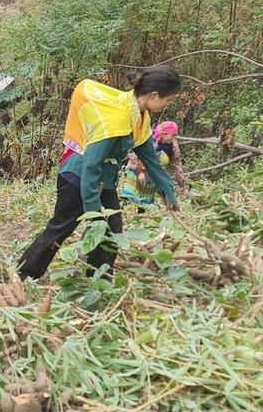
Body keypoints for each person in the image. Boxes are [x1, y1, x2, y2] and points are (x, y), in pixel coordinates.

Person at [17, 67, 183, 279]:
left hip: (105, 180)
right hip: (78, 177)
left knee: (112, 230)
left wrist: (168, 192)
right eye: (167, 100)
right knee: (62, 228)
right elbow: (91, 165)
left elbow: (150, 158)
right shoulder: (119, 117)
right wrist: (94, 212)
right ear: (153, 95)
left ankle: (99, 278)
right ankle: (24, 274)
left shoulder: (140, 116)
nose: (167, 105)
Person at [121, 120, 189, 209]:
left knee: (144, 203)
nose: (173, 138)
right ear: (164, 134)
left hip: (152, 174)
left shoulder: (173, 146)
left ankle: (141, 217)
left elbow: (176, 163)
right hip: (136, 170)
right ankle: (120, 211)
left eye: (175, 136)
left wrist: (181, 182)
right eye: (172, 135)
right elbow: (133, 154)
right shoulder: (149, 139)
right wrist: (138, 172)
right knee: (129, 196)